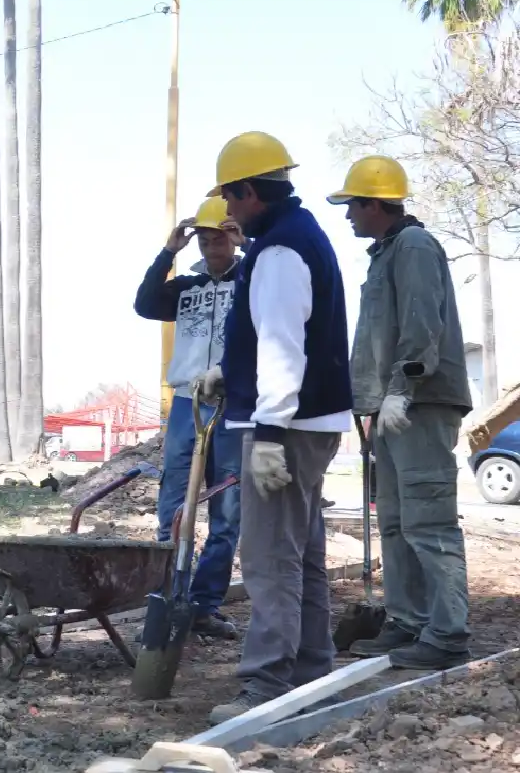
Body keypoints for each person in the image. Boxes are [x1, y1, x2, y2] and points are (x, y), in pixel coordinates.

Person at [198, 132, 353, 723]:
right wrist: (227, 372)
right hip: (304, 421)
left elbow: (285, 346)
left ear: (251, 192)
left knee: (268, 559)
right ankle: (313, 669)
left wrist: (266, 430)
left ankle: (266, 684)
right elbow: (273, 337)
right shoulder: (298, 237)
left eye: (231, 199)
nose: (229, 213)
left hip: (286, 427)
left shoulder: (281, 252)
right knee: (302, 553)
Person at [328, 156, 472, 670]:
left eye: (352, 206)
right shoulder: (386, 252)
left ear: (375, 203)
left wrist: (401, 389)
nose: (348, 217)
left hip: (419, 405)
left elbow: (421, 324)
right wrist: (371, 399)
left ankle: (448, 633)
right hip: (389, 407)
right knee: (395, 521)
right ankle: (408, 621)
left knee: (428, 521)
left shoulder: (413, 247)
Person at [134, 195, 245, 640]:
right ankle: (169, 595)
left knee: (227, 506)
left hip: (234, 399)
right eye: (203, 236)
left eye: (219, 235)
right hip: (187, 401)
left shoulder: (250, 279)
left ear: (233, 238)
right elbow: (144, 304)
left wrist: (249, 248)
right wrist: (168, 252)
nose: (210, 244)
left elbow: (271, 289)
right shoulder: (185, 287)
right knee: (174, 501)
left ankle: (205, 604)